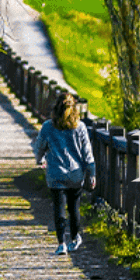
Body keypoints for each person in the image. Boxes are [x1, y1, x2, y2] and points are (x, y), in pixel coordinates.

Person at [32, 92, 95, 255]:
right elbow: (87, 153)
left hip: (56, 173)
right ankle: (74, 238)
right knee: (74, 208)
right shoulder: (80, 127)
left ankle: (61, 244)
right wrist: (92, 173)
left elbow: (39, 147)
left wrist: (40, 160)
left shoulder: (48, 127)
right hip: (75, 174)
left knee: (59, 208)